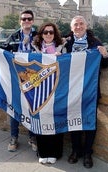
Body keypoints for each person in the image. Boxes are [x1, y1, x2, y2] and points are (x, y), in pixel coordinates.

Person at [0, 10, 37, 152]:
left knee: (33, 108)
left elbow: (48, 47)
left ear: (32, 21)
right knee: (15, 108)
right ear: (20, 21)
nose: (26, 21)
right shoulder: (14, 36)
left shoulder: (38, 36)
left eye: (29, 19)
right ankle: (14, 137)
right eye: (24, 19)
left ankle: (33, 137)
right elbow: (2, 51)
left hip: (34, 78)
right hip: (16, 78)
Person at [64, 15, 108, 168]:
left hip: (90, 89)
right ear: (72, 28)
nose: (78, 26)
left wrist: (105, 54)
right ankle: (76, 150)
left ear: (86, 26)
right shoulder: (65, 43)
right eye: (75, 24)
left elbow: (105, 64)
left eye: (81, 24)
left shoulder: (94, 42)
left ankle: (87, 153)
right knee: (74, 120)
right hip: (71, 89)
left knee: (89, 121)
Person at [32, 22, 65, 164]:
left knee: (56, 120)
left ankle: (55, 152)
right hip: (40, 90)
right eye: (45, 32)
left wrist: (61, 59)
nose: (48, 35)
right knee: (41, 120)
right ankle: (43, 152)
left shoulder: (62, 49)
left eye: (51, 32)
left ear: (55, 34)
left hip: (58, 89)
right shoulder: (35, 49)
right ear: (41, 34)